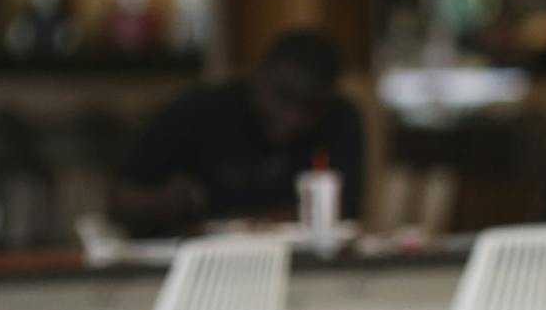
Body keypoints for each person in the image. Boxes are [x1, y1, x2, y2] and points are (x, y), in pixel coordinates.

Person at [109, 27, 365, 237]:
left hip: (305, 270)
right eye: (282, 96)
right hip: (198, 267)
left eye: (309, 106)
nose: (292, 116)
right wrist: (163, 204)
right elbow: (119, 200)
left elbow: (346, 213)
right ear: (259, 75)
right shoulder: (200, 111)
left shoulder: (340, 120)